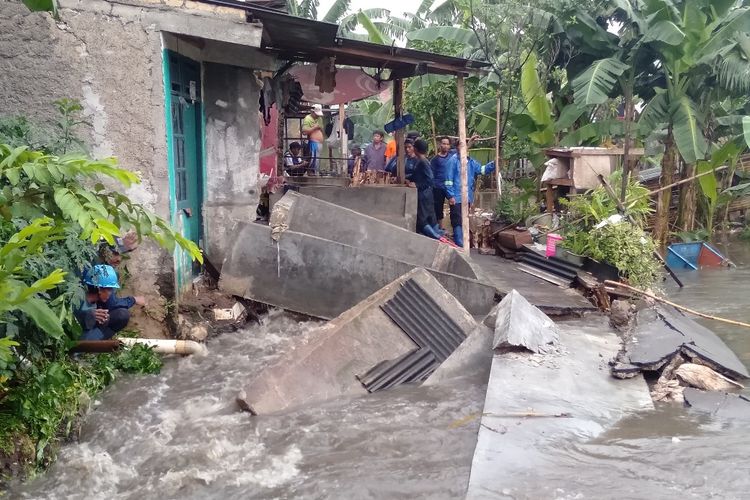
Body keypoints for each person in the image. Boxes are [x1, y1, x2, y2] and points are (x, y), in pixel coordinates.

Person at [75, 264, 145, 341]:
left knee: (120, 315)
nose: (111, 293)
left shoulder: (88, 298)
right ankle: (84, 348)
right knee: (122, 316)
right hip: (77, 339)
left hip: (87, 327)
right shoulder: (77, 301)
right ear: (99, 290)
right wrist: (87, 315)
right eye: (110, 289)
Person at [444, 154, 496, 247]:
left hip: (467, 197)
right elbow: (448, 180)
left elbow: (481, 170)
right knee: (457, 221)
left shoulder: (471, 162)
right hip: (456, 197)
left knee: (464, 220)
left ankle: (464, 243)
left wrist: (493, 164)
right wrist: (450, 195)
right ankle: (459, 243)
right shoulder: (453, 161)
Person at [411, 139, 445, 240]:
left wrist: (417, 185)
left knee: (422, 221)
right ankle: (440, 235)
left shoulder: (423, 162)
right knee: (431, 218)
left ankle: (439, 238)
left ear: (416, 149)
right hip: (427, 194)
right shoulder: (421, 161)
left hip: (424, 195)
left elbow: (430, 179)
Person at [430, 136, 455, 229]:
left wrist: (471, 141)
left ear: (449, 146)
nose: (445, 146)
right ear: (440, 145)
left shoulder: (453, 155)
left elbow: (463, 149)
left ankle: (454, 228)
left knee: (454, 207)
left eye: (447, 144)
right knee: (438, 208)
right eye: (444, 144)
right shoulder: (435, 159)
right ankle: (440, 228)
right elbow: (431, 174)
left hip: (450, 187)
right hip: (438, 187)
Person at [302, 103, 325, 174]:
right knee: (314, 158)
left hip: (319, 142)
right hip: (313, 142)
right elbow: (304, 132)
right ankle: (312, 172)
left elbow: (321, 129)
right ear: (312, 112)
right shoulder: (307, 119)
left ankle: (316, 171)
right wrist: (315, 128)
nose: (318, 116)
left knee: (317, 158)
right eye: (316, 114)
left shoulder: (320, 119)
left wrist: (319, 129)